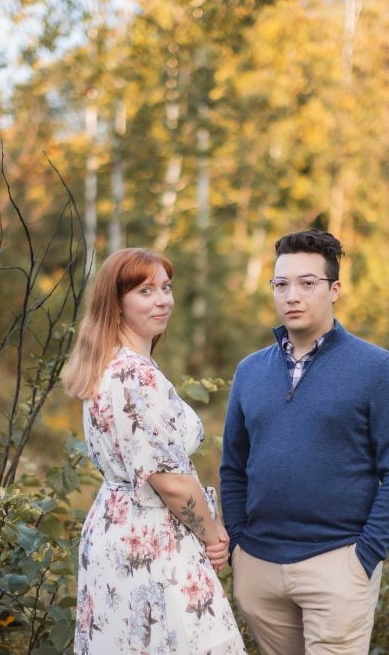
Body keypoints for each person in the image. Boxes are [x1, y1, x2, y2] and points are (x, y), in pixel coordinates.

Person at [220, 229, 389, 654]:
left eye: (307, 283)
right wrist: (238, 544)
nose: (292, 295)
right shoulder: (249, 371)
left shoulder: (376, 369)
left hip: (336, 563)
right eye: (281, 284)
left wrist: (365, 556)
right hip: (258, 566)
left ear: (334, 290)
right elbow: (233, 467)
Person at [64, 247, 245, 655]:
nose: (163, 300)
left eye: (166, 287)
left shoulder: (107, 364)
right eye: (145, 291)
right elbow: (170, 483)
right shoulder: (134, 374)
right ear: (117, 302)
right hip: (152, 541)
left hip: (115, 532)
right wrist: (213, 535)